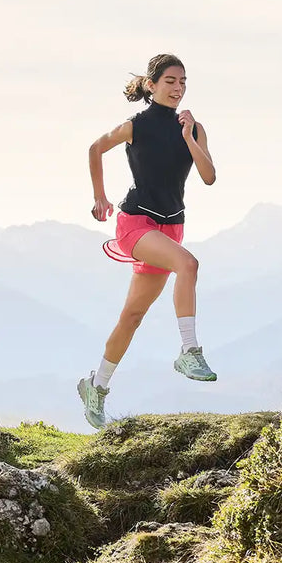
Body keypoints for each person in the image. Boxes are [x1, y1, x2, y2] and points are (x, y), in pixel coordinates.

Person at [77, 53, 217, 429]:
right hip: (136, 222)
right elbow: (95, 148)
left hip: (171, 228)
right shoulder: (135, 126)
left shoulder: (193, 128)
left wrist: (188, 136)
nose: (178, 88)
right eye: (170, 81)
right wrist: (100, 196)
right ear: (152, 85)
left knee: (133, 316)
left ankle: (96, 386)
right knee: (188, 264)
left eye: (183, 82)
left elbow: (208, 176)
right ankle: (190, 350)